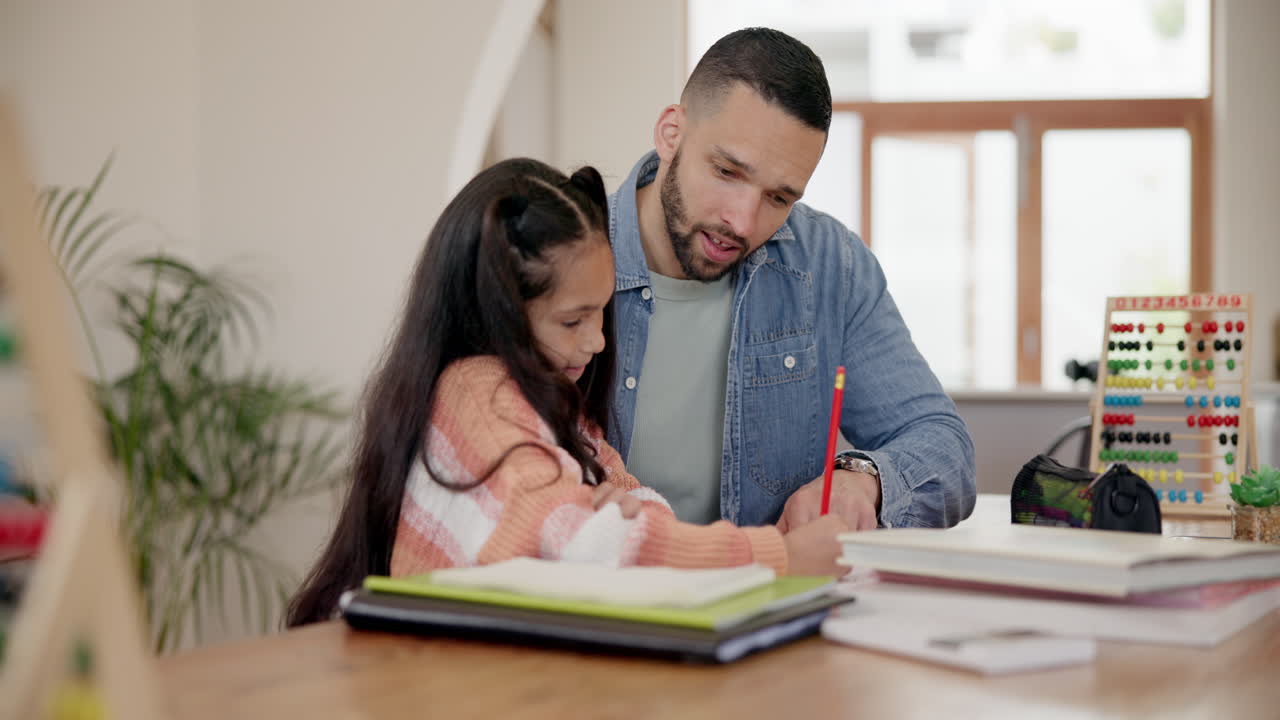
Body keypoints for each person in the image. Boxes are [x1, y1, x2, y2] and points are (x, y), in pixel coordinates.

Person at [286, 158, 847, 627]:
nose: (599, 341)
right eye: (573, 320)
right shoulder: (480, 399)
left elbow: (636, 502)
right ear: (499, 310)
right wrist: (780, 558)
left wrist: (623, 511)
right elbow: (596, 545)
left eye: (600, 314)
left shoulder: (555, 412)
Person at [607, 27, 976, 533]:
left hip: (766, 600)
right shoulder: (558, 251)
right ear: (672, 134)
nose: (742, 221)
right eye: (727, 172)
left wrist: (859, 479)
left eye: (779, 198)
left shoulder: (830, 265)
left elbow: (943, 446)